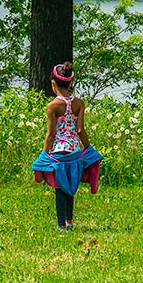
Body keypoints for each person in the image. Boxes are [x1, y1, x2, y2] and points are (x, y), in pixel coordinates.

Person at [31, 62, 103, 231]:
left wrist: (43, 155)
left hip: (58, 153)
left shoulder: (52, 106)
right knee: (71, 185)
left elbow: (51, 135)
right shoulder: (79, 103)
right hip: (74, 153)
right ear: (70, 83)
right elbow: (80, 130)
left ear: (53, 83)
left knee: (60, 187)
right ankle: (70, 221)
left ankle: (61, 225)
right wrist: (88, 149)